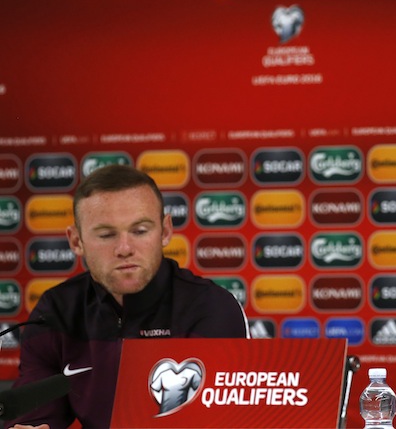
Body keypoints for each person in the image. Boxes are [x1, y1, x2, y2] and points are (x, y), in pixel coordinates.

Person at [6, 165, 250, 429]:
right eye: (106, 235)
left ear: (165, 232)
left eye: (140, 231)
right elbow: (35, 415)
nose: (124, 249)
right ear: (76, 241)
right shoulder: (56, 311)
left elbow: (217, 422)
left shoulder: (211, 308)